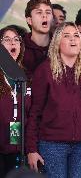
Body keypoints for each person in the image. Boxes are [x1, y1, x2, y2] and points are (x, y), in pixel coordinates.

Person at [25, 22, 81, 178]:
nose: (73, 39)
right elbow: (34, 112)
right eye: (67, 36)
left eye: (76, 35)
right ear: (57, 42)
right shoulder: (45, 70)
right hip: (52, 144)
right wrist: (31, 148)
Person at [0, 26, 30, 177]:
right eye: (7, 39)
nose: (12, 43)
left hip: (19, 146)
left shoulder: (25, 77)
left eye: (16, 40)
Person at [23, 0, 53, 80]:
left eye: (48, 12)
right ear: (29, 20)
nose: (44, 16)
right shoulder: (20, 48)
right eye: (39, 12)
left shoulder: (61, 45)